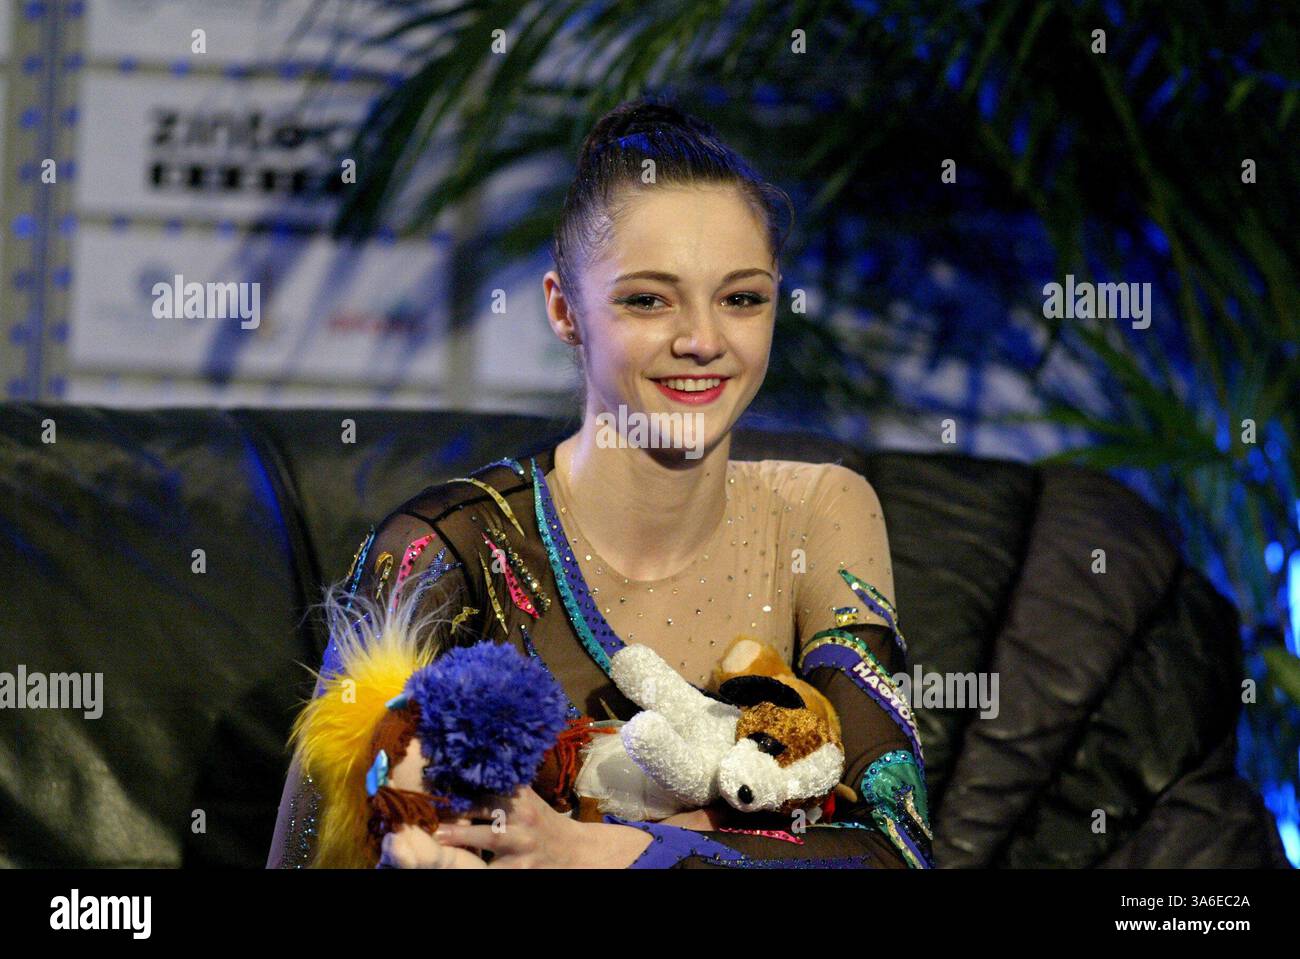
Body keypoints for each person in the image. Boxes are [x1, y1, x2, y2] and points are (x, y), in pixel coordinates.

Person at [267, 99, 931, 869]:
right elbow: (306, 858)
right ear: (564, 309)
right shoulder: (443, 553)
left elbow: (897, 847)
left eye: (742, 298)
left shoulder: (820, 510)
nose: (703, 340)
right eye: (647, 298)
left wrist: (597, 849)